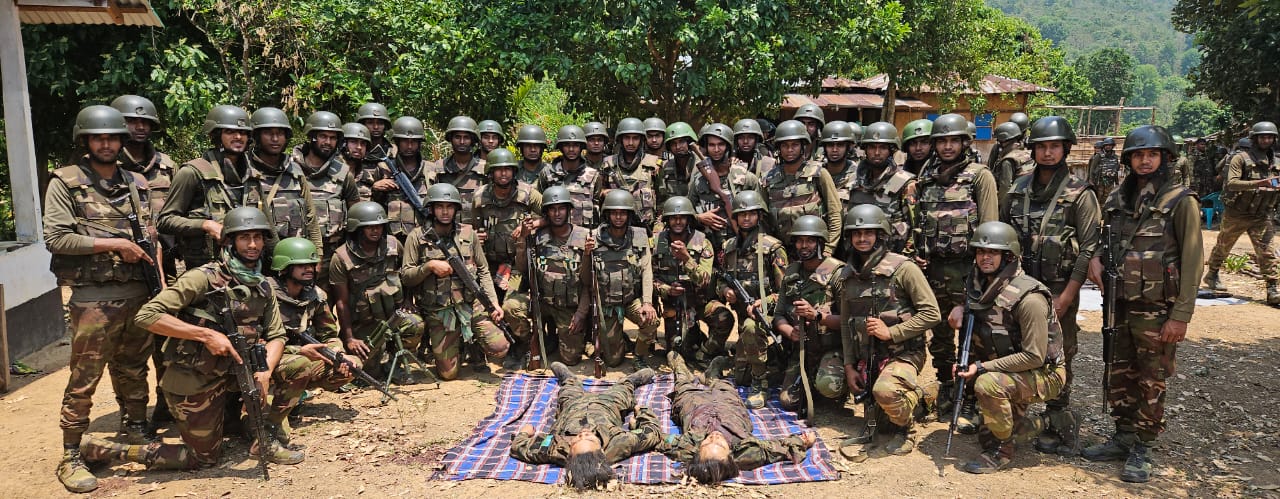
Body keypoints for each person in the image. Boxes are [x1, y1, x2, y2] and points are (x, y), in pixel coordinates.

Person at [79, 208, 303, 479]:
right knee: (204, 458)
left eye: (258, 237)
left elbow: (277, 334)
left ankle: (262, 437)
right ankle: (107, 450)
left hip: (235, 372)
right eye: (245, 238)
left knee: (299, 364)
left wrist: (265, 371)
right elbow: (147, 315)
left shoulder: (264, 285)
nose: (253, 245)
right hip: (196, 376)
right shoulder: (203, 278)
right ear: (229, 241)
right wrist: (205, 335)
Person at [48, 105, 161, 493]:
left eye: (113, 137)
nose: (107, 143)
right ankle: (71, 454)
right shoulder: (66, 182)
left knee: (133, 367)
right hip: (93, 299)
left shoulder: (136, 183)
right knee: (85, 378)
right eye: (99, 138)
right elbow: (57, 237)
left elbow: (151, 238)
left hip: (138, 293)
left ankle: (135, 429)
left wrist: (158, 285)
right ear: (86, 141)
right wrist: (113, 243)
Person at [1083, 125, 1201, 483]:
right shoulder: (1118, 200)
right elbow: (1106, 242)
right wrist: (1096, 258)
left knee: (1152, 378)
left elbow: (1193, 260)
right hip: (1119, 303)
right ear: (1128, 160)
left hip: (1157, 309)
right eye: (1137, 155)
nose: (1144, 161)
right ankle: (1123, 436)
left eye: (1152, 155)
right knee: (1119, 372)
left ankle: (1144, 446)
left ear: (1165, 158)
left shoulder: (1181, 202)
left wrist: (1180, 316)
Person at [1002, 116, 1100, 454]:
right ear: (1032, 149)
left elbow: (1088, 247)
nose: (1047, 152)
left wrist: (1068, 295)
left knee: (1060, 351)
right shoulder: (1017, 188)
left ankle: (1059, 418)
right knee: (1016, 346)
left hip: (1060, 287)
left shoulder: (1080, 193)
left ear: (1065, 149)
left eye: (1054, 146)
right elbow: (1003, 240)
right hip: (1020, 290)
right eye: (1042, 146)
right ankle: (1015, 411)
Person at [949, 221, 1068, 474]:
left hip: (1045, 373)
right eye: (981, 252)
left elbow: (1034, 356)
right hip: (1009, 368)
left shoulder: (1029, 298)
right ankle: (1049, 422)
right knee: (986, 433)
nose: (985, 257)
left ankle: (1002, 451)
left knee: (986, 385)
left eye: (992, 252)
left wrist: (980, 368)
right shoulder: (979, 285)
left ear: (1009, 256)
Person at [832, 205, 940, 457]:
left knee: (886, 393)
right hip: (867, 356)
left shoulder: (904, 269)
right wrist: (849, 366)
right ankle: (923, 399)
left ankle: (907, 430)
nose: (861, 239)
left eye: (868, 233)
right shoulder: (846, 276)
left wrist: (892, 333)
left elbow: (932, 313)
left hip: (904, 353)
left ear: (880, 235)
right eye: (856, 234)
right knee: (878, 422)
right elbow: (847, 326)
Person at [914, 113, 999, 419]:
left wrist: (984, 275)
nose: (947, 147)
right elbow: (919, 223)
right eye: (942, 141)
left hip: (968, 271)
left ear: (964, 142)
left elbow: (989, 230)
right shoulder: (927, 177)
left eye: (953, 140)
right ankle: (947, 386)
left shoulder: (979, 176)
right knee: (937, 334)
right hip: (934, 270)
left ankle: (972, 396)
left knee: (972, 336)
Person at [401, 184, 509, 380]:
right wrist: (429, 267)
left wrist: (493, 302)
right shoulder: (416, 237)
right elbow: (407, 276)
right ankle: (450, 344)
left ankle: (475, 346)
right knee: (448, 374)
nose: (444, 211)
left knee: (500, 348)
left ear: (456, 209)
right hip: (439, 311)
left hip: (470, 305)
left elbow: (483, 270)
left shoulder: (468, 233)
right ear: (431, 209)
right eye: (439, 206)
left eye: (449, 207)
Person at [661, 353, 818, 484]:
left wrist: (640, 417)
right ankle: (713, 376)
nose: (714, 437)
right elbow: (777, 447)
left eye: (707, 443)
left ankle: (683, 370)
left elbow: (658, 439)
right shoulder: (748, 452)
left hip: (693, 405)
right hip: (729, 406)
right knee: (723, 386)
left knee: (682, 384)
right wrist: (803, 442)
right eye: (720, 445)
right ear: (730, 455)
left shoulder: (686, 448)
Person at [264, 237, 360, 444]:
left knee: (352, 365)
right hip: (268, 365)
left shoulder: (316, 296)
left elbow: (329, 335)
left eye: (311, 265)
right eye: (301, 265)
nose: (309, 270)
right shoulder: (265, 294)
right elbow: (256, 343)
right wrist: (297, 351)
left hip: (302, 362)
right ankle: (264, 408)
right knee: (268, 429)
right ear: (285, 267)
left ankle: (293, 396)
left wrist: (338, 355)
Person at [510, 363, 660, 490]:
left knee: (568, 387)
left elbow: (519, 447)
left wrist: (524, 432)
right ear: (601, 450)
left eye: (576, 440)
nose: (583, 432)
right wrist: (642, 414)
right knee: (623, 388)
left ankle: (568, 378)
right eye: (589, 438)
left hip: (572, 405)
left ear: (569, 453)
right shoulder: (619, 444)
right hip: (608, 404)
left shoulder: (555, 450)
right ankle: (632, 381)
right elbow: (652, 433)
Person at [329, 202, 425, 382]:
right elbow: (341, 303)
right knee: (366, 376)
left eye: (379, 226)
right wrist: (349, 339)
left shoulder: (394, 245)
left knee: (415, 324)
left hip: (393, 316)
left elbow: (406, 275)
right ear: (357, 228)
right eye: (369, 227)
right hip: (364, 324)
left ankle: (394, 363)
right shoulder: (341, 258)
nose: (376, 231)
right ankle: (377, 359)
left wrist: (407, 301)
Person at [157, 104, 255, 269]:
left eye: (243, 132)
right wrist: (206, 225)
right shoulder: (192, 172)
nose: (238, 136)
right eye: (230, 132)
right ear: (216, 135)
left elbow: (268, 229)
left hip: (249, 267)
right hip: (206, 270)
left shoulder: (253, 175)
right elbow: (165, 221)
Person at [716, 190, 788, 408]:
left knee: (749, 327)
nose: (746, 218)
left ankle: (760, 383)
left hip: (769, 317)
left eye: (751, 214)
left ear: (759, 215)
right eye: (742, 214)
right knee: (740, 379)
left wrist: (763, 303)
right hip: (743, 317)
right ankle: (760, 366)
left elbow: (786, 291)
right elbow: (718, 279)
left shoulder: (773, 248)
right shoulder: (728, 247)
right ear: (735, 217)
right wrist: (725, 291)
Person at [772, 216, 847, 415]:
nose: (804, 245)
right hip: (803, 350)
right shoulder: (792, 272)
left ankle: (836, 387)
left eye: (810, 240)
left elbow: (849, 322)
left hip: (832, 348)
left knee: (829, 387)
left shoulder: (837, 273)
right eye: (799, 240)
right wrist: (789, 331)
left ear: (820, 242)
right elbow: (778, 314)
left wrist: (817, 316)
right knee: (788, 401)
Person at [1203, 121, 1280, 305]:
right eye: (1262, 137)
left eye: (1269, 137)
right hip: (1237, 213)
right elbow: (1231, 183)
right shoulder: (1240, 158)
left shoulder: (1276, 162)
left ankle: (1272, 288)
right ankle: (1212, 274)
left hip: (1261, 215)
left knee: (1267, 252)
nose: (1266, 140)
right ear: (1255, 138)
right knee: (1223, 246)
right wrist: (1260, 183)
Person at [290, 111, 360, 289]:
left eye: (333, 137)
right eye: (322, 136)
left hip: (330, 258)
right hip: (291, 256)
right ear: (311, 137)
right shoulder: (288, 168)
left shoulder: (343, 174)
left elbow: (356, 216)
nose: (328, 142)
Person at [591, 190, 659, 367]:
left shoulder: (639, 236)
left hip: (631, 300)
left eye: (622, 213)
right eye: (614, 213)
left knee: (651, 320)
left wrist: (647, 302)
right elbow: (586, 278)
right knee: (613, 361)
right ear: (607, 214)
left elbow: (646, 270)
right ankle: (620, 341)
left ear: (629, 215)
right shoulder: (594, 238)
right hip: (607, 305)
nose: (618, 217)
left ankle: (639, 356)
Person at [763, 120, 843, 253]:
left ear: (802, 146)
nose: (789, 150)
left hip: (816, 252)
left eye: (794, 145)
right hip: (781, 252)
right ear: (779, 148)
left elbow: (835, 214)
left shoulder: (818, 173)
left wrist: (828, 250)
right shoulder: (768, 179)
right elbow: (763, 220)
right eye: (785, 145)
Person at [688, 122, 760, 251]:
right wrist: (699, 218)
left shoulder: (747, 178)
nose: (716, 150)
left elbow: (762, 215)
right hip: (707, 247)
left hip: (741, 247)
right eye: (711, 145)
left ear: (728, 146)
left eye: (720, 144)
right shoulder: (698, 180)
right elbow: (686, 212)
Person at [848, 122, 916, 255]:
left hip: (892, 258)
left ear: (891, 150)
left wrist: (908, 257)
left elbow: (915, 227)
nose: (877, 152)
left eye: (883, 148)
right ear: (865, 150)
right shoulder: (854, 181)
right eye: (872, 147)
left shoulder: (905, 183)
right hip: (857, 256)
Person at [374, 116, 433, 243]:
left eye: (414, 142)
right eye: (405, 141)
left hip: (425, 238)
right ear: (397, 142)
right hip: (392, 240)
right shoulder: (383, 168)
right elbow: (374, 206)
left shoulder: (431, 170)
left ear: (420, 143)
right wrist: (375, 189)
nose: (410, 146)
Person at [601, 117, 662, 231]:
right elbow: (596, 195)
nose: (630, 142)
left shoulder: (654, 165)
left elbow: (662, 202)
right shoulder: (607, 164)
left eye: (635, 138)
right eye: (627, 138)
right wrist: (604, 192)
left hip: (645, 229)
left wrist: (657, 230)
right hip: (613, 231)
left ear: (641, 140)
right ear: (620, 139)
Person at [540, 125, 603, 229]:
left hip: (583, 238)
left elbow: (596, 208)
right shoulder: (547, 174)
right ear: (560, 147)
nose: (571, 149)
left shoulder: (593, 176)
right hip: (554, 237)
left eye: (576, 145)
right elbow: (540, 207)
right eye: (567, 145)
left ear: (582, 147)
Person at [429, 116, 487, 227]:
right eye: (457, 137)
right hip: (446, 231)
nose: (461, 142)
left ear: (473, 140)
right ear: (451, 139)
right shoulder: (438, 168)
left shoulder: (485, 169)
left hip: (477, 233)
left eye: (466, 138)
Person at [657, 122, 698, 204]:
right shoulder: (665, 167)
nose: (678, 147)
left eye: (681, 142)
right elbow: (661, 196)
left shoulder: (701, 166)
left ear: (689, 142)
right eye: (673, 144)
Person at [1089, 137, 1122, 201]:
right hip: (1100, 181)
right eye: (1106, 145)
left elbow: (1115, 169)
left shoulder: (1115, 157)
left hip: (1110, 181)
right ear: (1104, 146)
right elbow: (1092, 168)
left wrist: (1117, 182)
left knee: (1108, 197)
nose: (1108, 147)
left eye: (1110, 145)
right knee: (1098, 197)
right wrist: (1091, 179)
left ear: (1113, 146)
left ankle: (1105, 210)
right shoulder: (1099, 156)